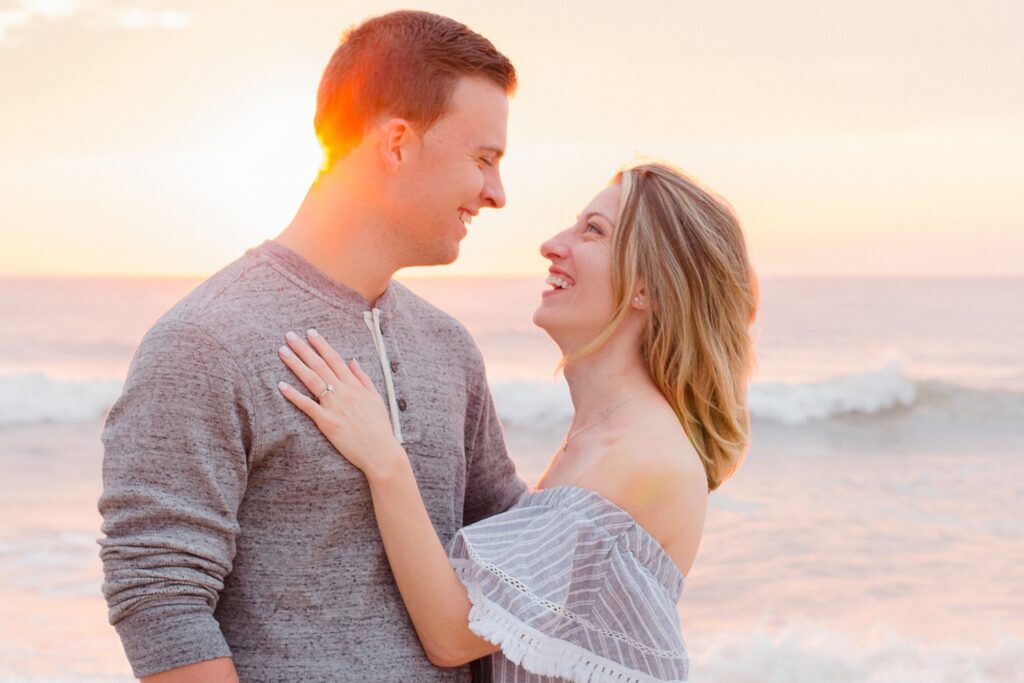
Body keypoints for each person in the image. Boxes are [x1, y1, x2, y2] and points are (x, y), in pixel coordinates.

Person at [98, 11, 526, 682]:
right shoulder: (206, 341)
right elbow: (161, 595)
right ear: (396, 143)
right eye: (484, 159)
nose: (497, 193)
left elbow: (509, 549)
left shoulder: (450, 347)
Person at [277, 161, 759, 682]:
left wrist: (384, 458)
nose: (553, 243)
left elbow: (452, 632)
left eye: (592, 231)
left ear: (648, 287)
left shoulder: (640, 458)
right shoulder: (599, 442)